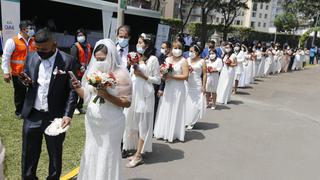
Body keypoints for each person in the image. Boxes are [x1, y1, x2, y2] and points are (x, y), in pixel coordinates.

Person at [20, 28, 78, 180]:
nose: (40, 52)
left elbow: (73, 91)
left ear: (54, 45)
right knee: (28, 153)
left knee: (55, 153)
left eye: (44, 49)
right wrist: (25, 81)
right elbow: (27, 76)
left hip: (55, 116)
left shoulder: (67, 61)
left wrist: (67, 114)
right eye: (37, 49)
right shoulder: (31, 57)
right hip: (33, 114)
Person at [71, 39, 132, 180]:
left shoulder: (122, 74)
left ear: (111, 56)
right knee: (91, 150)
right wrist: (77, 87)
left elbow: (127, 103)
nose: (99, 62)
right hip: (93, 121)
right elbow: (87, 95)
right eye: (97, 59)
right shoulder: (94, 71)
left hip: (112, 122)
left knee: (108, 153)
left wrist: (106, 95)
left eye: (102, 59)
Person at [123, 33, 160, 168]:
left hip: (144, 96)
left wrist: (144, 76)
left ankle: (138, 156)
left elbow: (157, 79)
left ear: (147, 45)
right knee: (132, 123)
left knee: (143, 125)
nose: (138, 45)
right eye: (137, 42)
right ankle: (135, 151)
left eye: (141, 43)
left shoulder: (153, 59)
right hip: (134, 95)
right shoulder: (137, 58)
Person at [154, 40, 189, 142]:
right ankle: (163, 131)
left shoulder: (183, 61)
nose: (176, 50)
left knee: (175, 108)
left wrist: (172, 76)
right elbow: (163, 74)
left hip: (178, 88)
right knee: (166, 107)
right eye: (175, 48)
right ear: (171, 49)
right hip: (168, 87)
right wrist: (163, 75)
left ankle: (173, 133)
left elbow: (186, 76)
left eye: (179, 48)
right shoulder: (167, 59)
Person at [1, 20, 36, 118]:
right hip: (18, 73)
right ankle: (19, 111)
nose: (32, 30)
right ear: (23, 29)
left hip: (32, 73)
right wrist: (6, 72)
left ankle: (29, 110)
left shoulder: (33, 41)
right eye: (30, 28)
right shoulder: (12, 41)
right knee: (20, 93)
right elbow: (6, 57)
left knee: (32, 92)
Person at [70, 28, 92, 115]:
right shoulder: (75, 46)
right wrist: (80, 67)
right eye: (78, 35)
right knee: (76, 89)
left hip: (86, 71)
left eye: (82, 35)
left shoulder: (88, 46)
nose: (80, 37)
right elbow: (73, 60)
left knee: (85, 89)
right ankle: (74, 107)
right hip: (77, 71)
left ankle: (80, 106)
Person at [185, 44, 207, 130]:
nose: (190, 53)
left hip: (197, 84)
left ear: (197, 52)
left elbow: (205, 74)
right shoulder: (187, 60)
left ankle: (191, 122)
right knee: (187, 102)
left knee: (195, 104)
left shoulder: (202, 61)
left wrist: (204, 86)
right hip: (187, 83)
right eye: (189, 51)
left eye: (192, 51)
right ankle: (186, 120)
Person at [154, 41, 171, 122]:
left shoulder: (169, 60)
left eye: (164, 48)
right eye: (161, 47)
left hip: (164, 85)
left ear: (169, 49)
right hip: (157, 83)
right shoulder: (160, 56)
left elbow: (165, 74)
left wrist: (161, 88)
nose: (162, 49)